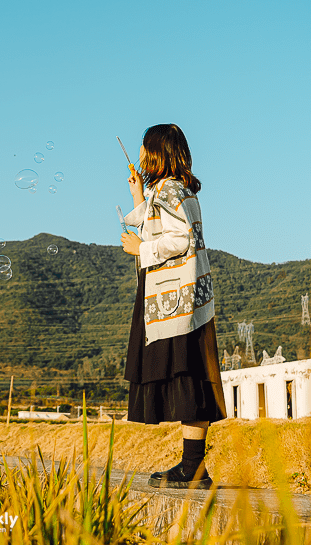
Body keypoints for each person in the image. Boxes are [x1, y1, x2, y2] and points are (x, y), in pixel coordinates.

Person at [120, 123, 226, 488]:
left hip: (175, 300)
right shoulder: (174, 190)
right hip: (185, 298)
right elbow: (158, 228)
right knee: (190, 375)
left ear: (157, 154)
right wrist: (138, 194)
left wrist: (140, 250)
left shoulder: (169, 191)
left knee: (187, 375)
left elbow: (178, 239)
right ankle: (193, 466)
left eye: (145, 150)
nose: (141, 157)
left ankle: (193, 467)